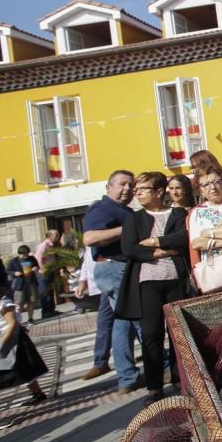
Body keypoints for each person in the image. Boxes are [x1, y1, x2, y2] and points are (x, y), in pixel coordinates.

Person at [116, 172, 188, 406]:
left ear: (159, 191)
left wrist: (153, 241)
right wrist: (163, 251)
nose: (137, 192)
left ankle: (180, 378)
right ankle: (154, 386)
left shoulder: (177, 213)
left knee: (178, 333)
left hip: (176, 280)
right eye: (136, 189)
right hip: (148, 283)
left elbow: (182, 238)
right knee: (150, 334)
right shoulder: (134, 219)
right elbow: (129, 249)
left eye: (143, 188)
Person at [82, 170, 142, 391]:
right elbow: (89, 238)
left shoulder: (122, 209)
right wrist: (126, 228)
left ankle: (128, 377)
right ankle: (158, 366)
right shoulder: (102, 208)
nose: (127, 189)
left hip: (119, 268)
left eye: (130, 185)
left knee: (121, 323)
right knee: (136, 317)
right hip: (115, 267)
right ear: (108, 187)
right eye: (122, 184)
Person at [189, 165, 222, 292]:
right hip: (216, 272)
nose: (212, 187)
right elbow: (196, 243)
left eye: (216, 182)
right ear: (200, 190)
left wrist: (208, 233)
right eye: (206, 185)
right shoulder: (198, 213)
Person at [0, 291, 49, 406]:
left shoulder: (3, 303)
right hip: (9, 340)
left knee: (22, 368)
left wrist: (1, 343)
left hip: (13, 340)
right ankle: (38, 394)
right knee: (23, 369)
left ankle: (38, 394)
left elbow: (12, 324)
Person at [6, 246, 40, 324]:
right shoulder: (14, 261)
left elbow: (37, 266)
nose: (25, 256)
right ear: (19, 254)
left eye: (27, 254)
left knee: (32, 301)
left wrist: (35, 268)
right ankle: (18, 320)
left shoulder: (32, 258)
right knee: (19, 302)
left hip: (31, 282)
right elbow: (7, 270)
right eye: (24, 254)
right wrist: (15, 273)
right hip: (19, 284)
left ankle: (30, 318)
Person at [34, 229, 62, 318]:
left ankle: (51, 310)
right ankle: (45, 312)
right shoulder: (44, 245)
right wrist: (42, 269)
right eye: (56, 235)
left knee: (50, 290)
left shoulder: (54, 245)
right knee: (44, 292)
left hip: (51, 270)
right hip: (44, 271)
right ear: (49, 236)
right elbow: (38, 257)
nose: (58, 237)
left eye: (58, 235)